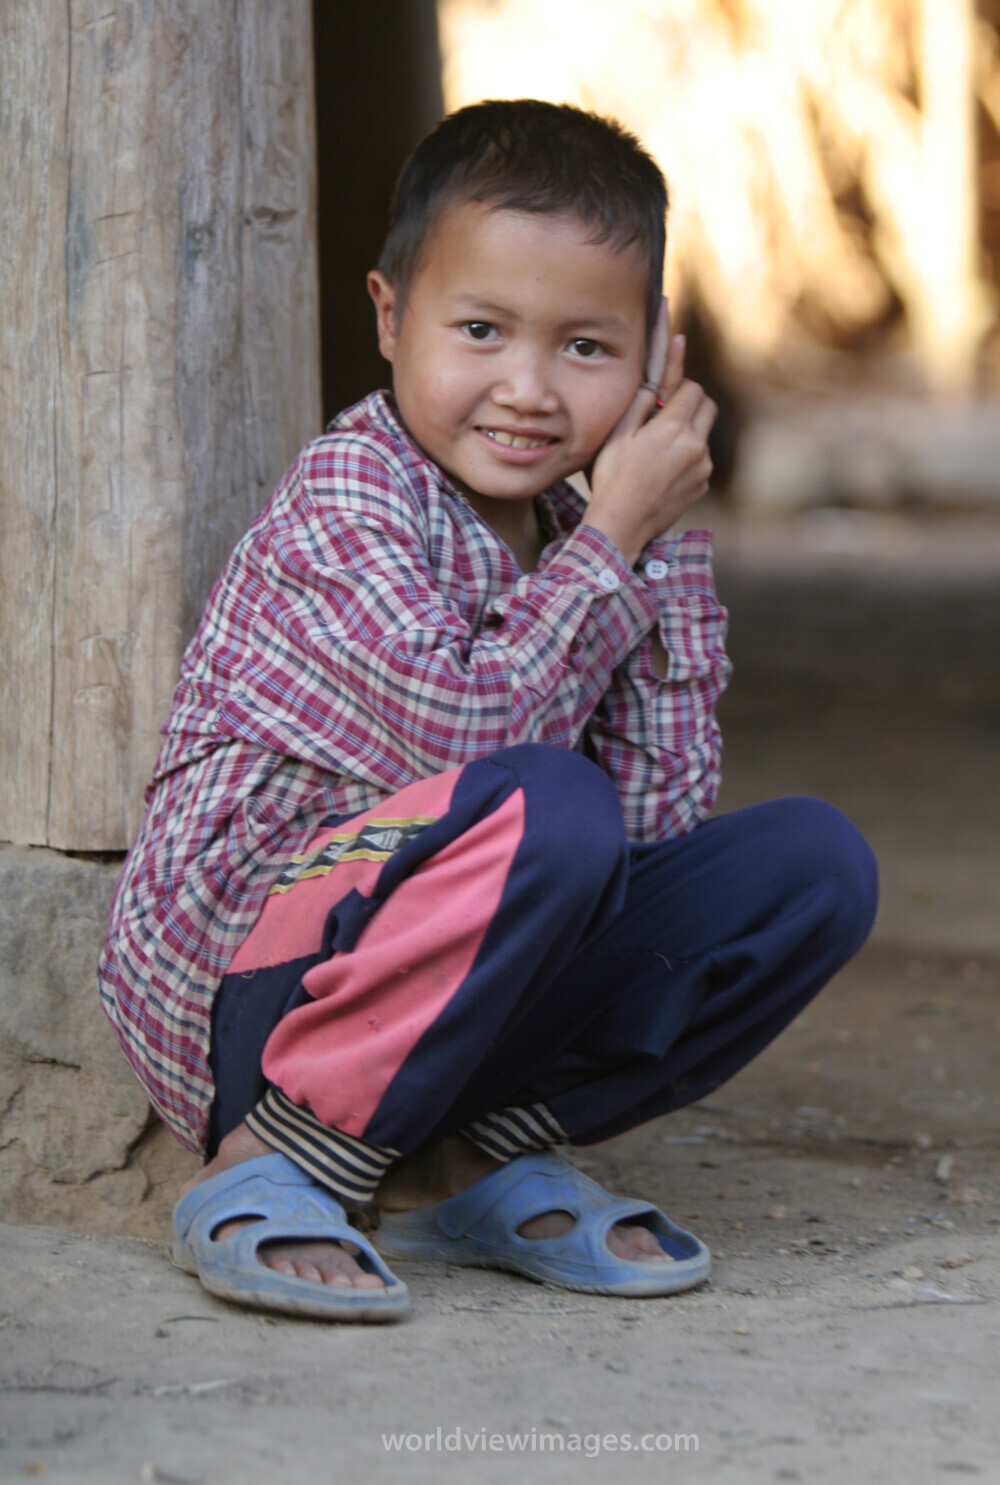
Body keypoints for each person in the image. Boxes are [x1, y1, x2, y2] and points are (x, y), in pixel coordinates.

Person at [99, 99, 878, 1321]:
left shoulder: (596, 535)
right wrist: (617, 537)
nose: (525, 389)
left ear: (654, 357)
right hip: (257, 1001)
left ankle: (451, 1159)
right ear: (388, 318)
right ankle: (277, 1156)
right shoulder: (351, 493)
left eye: (585, 348)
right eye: (478, 330)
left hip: (466, 1000)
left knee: (811, 865)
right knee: (546, 803)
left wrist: (651, 538)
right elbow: (473, 738)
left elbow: (656, 824)